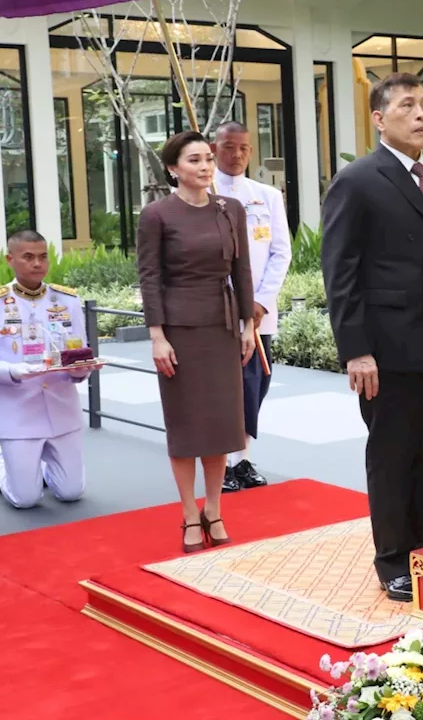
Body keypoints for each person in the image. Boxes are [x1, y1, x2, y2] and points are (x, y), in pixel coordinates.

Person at [321, 72, 423, 602]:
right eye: (407, 105)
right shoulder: (358, 180)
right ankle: (393, 559)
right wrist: (356, 349)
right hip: (387, 346)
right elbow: (340, 271)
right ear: (380, 119)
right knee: (393, 453)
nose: (421, 114)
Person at [137, 131, 256, 553]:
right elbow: (150, 278)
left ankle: (215, 507)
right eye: (194, 160)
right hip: (179, 331)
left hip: (222, 327)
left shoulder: (231, 210)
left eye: (208, 159)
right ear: (173, 169)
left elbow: (241, 272)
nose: (205, 167)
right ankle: (189, 512)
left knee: (222, 424)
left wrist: (248, 325)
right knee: (187, 425)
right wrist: (157, 337)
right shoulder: (157, 215)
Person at [0, 231, 96, 508]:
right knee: (25, 499)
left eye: (42, 256)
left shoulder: (67, 301)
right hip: (18, 414)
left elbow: (79, 350)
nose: (37, 263)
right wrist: (11, 372)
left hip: (62, 410)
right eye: (28, 257)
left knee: (71, 492)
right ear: (10, 259)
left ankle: (38, 466)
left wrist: (80, 370)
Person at [212, 121, 290, 493]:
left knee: (256, 384)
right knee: (223, 387)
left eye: (243, 148)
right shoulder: (203, 192)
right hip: (217, 312)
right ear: (214, 148)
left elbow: (280, 252)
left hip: (260, 313)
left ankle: (242, 459)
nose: (237, 154)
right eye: (229, 147)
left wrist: (261, 301)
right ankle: (223, 462)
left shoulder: (267, 196)